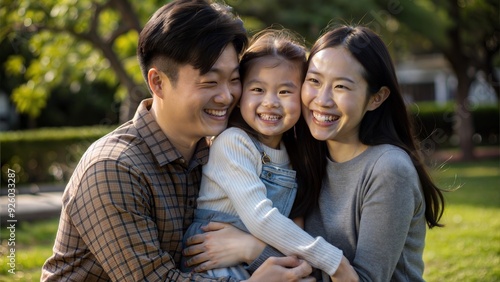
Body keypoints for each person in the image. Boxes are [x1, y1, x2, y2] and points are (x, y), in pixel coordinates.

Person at [41, 1, 315, 281]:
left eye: (234, 79)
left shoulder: (211, 154)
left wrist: (252, 248)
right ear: (158, 83)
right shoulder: (114, 169)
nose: (226, 96)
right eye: (210, 82)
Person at [183, 25, 446, 281]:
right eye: (314, 81)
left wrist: (249, 249)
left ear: (376, 98)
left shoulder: (388, 169)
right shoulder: (307, 155)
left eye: (341, 86)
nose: (322, 99)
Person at [180, 28, 357, 280]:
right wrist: (334, 261)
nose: (271, 102)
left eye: (285, 92)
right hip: (214, 264)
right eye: (258, 90)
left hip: (254, 259)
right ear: (240, 95)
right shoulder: (233, 143)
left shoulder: (295, 152)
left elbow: (293, 228)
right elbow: (261, 218)